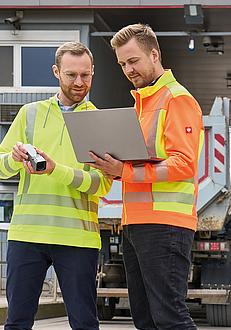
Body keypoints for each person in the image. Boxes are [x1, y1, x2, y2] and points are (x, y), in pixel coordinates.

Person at [87, 24, 203, 330]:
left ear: (154, 54)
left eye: (133, 60)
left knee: (169, 317)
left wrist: (123, 171)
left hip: (166, 225)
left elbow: (184, 165)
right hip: (135, 224)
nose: (128, 69)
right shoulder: (142, 105)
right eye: (123, 64)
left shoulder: (176, 99)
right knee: (146, 319)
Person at [0, 41, 112, 330]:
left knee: (84, 323)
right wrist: (14, 158)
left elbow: (102, 184)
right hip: (27, 235)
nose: (79, 82)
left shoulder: (100, 121)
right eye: (71, 75)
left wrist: (56, 170)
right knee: (17, 322)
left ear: (93, 72)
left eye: (86, 75)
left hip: (77, 239)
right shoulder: (29, 113)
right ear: (56, 72)